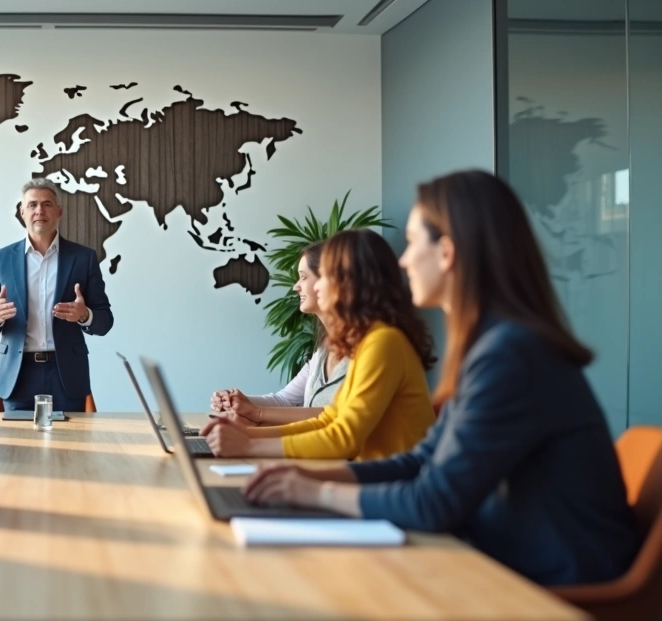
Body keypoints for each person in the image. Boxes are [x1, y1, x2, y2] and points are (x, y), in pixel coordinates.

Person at [241, 170, 640, 586]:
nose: (403, 260)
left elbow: (435, 502)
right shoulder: (495, 345)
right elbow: (421, 461)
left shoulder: (511, 355)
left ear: (447, 252)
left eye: (413, 243)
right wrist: (308, 479)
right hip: (508, 560)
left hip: (553, 585)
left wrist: (316, 494)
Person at [201, 229, 435, 461]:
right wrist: (247, 435)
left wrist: (249, 444)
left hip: (397, 485)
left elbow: (343, 438)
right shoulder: (366, 340)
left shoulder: (383, 342)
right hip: (374, 476)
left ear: (347, 281)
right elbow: (329, 420)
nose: (310, 286)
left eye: (320, 277)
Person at [0, 178, 114, 412]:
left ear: (59, 211)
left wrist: (85, 315)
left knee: (70, 448)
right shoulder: (2, 259)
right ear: (22, 212)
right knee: (15, 448)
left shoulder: (84, 258)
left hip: (67, 375)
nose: (40, 210)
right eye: (32, 205)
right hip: (18, 375)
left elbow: (105, 321)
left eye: (47, 204)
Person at [210, 242, 349, 425]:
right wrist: (240, 401)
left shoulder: (364, 351)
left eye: (303, 277)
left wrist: (256, 417)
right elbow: (285, 400)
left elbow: (339, 416)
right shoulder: (323, 351)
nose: (295, 287)